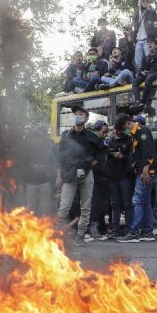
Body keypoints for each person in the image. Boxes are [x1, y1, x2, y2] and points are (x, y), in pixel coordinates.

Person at [56, 105, 105, 247]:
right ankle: (59, 236)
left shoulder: (92, 137)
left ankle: (80, 236)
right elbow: (60, 158)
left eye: (81, 114)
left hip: (87, 174)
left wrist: (94, 162)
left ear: (86, 118)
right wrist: (58, 177)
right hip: (69, 175)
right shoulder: (66, 135)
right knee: (64, 207)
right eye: (76, 113)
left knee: (85, 207)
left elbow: (103, 151)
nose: (78, 115)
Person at [118, 115, 156, 243]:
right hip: (141, 170)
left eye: (124, 128)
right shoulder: (135, 133)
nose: (125, 131)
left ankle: (134, 232)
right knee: (145, 201)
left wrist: (145, 170)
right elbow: (139, 152)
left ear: (129, 123)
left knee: (138, 200)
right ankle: (148, 232)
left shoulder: (142, 131)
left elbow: (148, 151)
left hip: (145, 172)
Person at [106, 114, 134, 238]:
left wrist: (122, 156)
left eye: (121, 129)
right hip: (112, 177)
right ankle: (115, 229)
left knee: (128, 203)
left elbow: (132, 158)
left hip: (125, 177)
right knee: (114, 204)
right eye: (117, 129)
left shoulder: (129, 140)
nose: (118, 132)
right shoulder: (110, 141)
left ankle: (129, 229)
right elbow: (104, 158)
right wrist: (111, 154)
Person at [131, 35, 157, 113]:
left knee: (148, 78)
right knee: (134, 81)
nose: (149, 44)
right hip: (147, 74)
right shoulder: (146, 57)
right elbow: (141, 69)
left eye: (152, 43)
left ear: (156, 46)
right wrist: (142, 72)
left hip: (156, 73)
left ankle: (143, 102)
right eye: (148, 43)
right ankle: (137, 101)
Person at [133, 0, 157, 74]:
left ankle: (148, 74)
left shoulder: (152, 12)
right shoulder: (137, 15)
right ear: (139, 3)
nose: (145, 2)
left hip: (148, 38)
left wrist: (154, 39)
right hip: (138, 39)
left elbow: (155, 26)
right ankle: (138, 75)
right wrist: (134, 40)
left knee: (148, 58)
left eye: (146, 1)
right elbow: (135, 28)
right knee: (138, 61)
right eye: (143, 1)